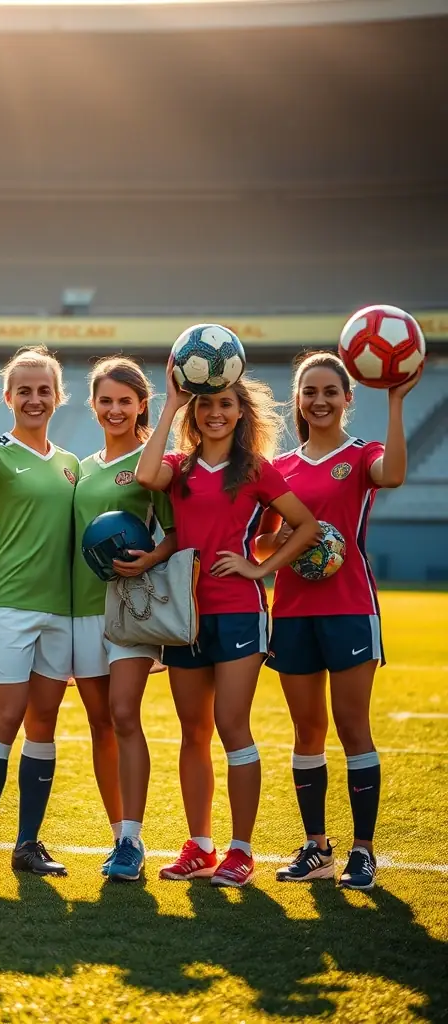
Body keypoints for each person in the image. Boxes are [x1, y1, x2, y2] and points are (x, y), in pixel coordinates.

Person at [135, 360, 320, 887]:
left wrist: (259, 568)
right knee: (193, 732)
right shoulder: (178, 465)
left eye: (226, 404)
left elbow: (304, 526)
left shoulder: (256, 469)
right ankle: (200, 845)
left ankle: (241, 850)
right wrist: (170, 401)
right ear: (195, 413)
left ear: (241, 412)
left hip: (238, 610)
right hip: (185, 617)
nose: (216, 413)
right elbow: (146, 476)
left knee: (231, 727)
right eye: (207, 404)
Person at [255, 351, 421, 890]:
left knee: (353, 728)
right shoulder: (280, 469)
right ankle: (316, 848)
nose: (320, 401)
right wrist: (279, 540)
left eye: (331, 392)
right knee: (307, 732)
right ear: (298, 400)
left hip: (350, 610)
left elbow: (392, 474)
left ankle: (363, 851)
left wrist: (395, 403)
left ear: (348, 398)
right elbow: (259, 539)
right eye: (310, 392)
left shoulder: (362, 453)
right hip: (295, 613)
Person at [0, 346, 80, 886]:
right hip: (7, 605)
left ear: (57, 396)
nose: (34, 398)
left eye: (43, 389)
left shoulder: (73, 463)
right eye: (23, 390)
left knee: (43, 725)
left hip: (64, 612)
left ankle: (27, 844)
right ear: (8, 398)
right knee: (5, 720)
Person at [72, 356, 176, 882]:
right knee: (100, 724)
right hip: (84, 610)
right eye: (105, 401)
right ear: (93, 405)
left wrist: (154, 557)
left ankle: (134, 840)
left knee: (124, 714)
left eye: (125, 401)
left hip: (132, 609)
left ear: (141, 405)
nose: (115, 410)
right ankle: (117, 837)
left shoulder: (154, 463)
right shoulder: (81, 467)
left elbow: (179, 533)